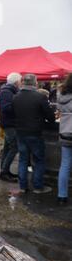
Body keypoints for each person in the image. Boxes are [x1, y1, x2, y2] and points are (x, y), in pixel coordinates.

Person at [13, 74, 56, 194]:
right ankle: (37, 187)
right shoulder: (40, 97)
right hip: (35, 133)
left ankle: (23, 186)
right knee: (38, 160)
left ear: (23, 83)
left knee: (23, 159)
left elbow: (12, 114)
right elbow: (50, 117)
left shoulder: (16, 97)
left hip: (20, 132)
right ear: (35, 83)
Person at [0, 72, 22, 183]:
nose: (21, 83)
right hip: (9, 124)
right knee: (14, 147)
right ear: (17, 82)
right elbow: (6, 108)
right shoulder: (7, 92)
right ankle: (4, 172)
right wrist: (18, 105)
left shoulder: (9, 91)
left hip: (9, 123)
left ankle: (4, 170)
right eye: (20, 81)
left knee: (8, 147)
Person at [57, 74, 72, 204]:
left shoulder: (62, 96)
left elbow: (59, 110)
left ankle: (62, 195)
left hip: (65, 132)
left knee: (65, 165)